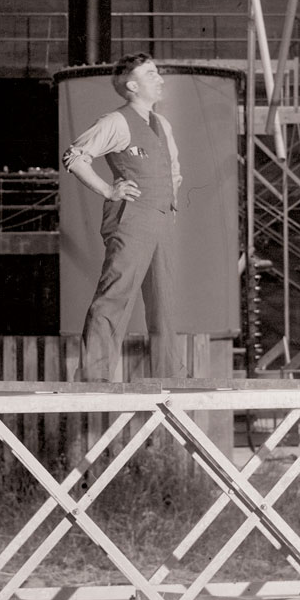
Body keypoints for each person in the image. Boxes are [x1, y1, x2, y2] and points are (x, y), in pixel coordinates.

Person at [63, 54, 182, 382]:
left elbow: (173, 170)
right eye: (151, 74)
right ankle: (95, 377)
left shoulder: (162, 124)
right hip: (132, 218)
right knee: (116, 296)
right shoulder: (116, 121)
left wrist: (170, 201)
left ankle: (169, 377)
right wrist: (107, 189)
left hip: (161, 218)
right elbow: (75, 156)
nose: (160, 79)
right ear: (132, 86)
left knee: (164, 304)